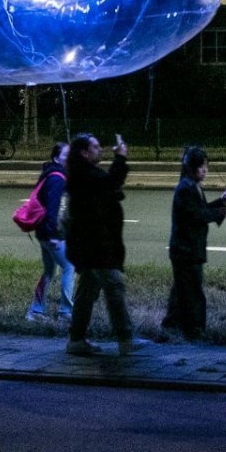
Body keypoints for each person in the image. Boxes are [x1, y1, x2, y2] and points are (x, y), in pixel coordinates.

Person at [64, 132, 138, 356]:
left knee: (87, 290)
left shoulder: (84, 174)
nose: (101, 150)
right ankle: (125, 339)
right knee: (114, 287)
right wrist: (121, 158)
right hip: (96, 245)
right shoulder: (84, 175)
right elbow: (110, 183)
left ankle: (76, 339)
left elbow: (108, 188)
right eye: (96, 147)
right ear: (85, 153)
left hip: (92, 245)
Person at [162, 145, 226, 341]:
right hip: (187, 249)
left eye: (206, 166)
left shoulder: (192, 187)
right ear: (191, 169)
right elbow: (197, 215)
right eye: (201, 167)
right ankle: (194, 329)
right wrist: (218, 212)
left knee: (182, 290)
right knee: (192, 292)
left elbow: (201, 209)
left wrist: (219, 202)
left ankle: (172, 324)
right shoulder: (186, 189)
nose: (205, 170)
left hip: (187, 249)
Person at [26, 142, 74, 322]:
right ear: (57, 157)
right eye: (66, 155)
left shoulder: (52, 174)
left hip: (43, 232)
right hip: (52, 233)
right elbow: (53, 209)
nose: (69, 158)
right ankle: (66, 312)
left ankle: (35, 311)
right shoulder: (57, 178)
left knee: (49, 271)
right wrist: (54, 235)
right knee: (70, 266)